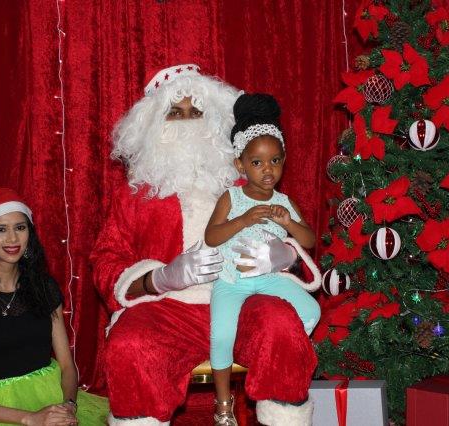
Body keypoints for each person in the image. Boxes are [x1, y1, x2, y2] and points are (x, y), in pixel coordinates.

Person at [90, 64, 322, 426]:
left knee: (281, 324)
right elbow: (106, 259)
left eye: (196, 111)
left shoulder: (247, 180)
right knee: (129, 344)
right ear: (152, 124)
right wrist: (159, 278)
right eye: (175, 112)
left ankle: (284, 420)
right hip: (169, 309)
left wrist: (284, 256)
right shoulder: (135, 194)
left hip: (245, 296)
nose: (187, 122)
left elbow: (293, 229)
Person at [0, 188, 108, 425]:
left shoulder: (44, 287)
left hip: (51, 397)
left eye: (20, 227)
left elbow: (66, 366)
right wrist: (31, 418)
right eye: (1, 229)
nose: (12, 239)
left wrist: (68, 406)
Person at [205, 94, 321, 425]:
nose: (267, 169)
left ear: (284, 161)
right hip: (232, 280)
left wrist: (289, 223)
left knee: (311, 311)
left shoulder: (285, 201)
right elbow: (211, 236)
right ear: (240, 165)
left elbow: (309, 241)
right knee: (221, 336)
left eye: (275, 161)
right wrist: (242, 220)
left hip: (270, 279)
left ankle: (277, 362)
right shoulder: (231, 197)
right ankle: (223, 403)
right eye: (257, 162)